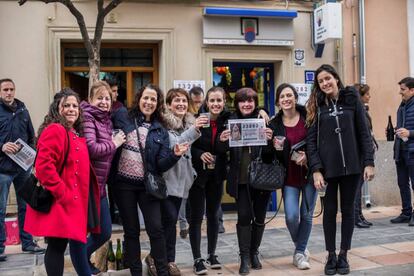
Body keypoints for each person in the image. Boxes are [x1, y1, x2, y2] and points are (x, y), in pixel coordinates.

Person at [112, 84, 188, 276]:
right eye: (146, 98)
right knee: (131, 231)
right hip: (124, 185)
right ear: (139, 99)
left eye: (153, 99)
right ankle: (136, 272)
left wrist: (175, 154)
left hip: (148, 186)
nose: (149, 102)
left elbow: (161, 165)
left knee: (156, 229)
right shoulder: (123, 116)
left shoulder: (160, 129)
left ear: (158, 103)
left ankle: (162, 272)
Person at [306, 64, 375, 275]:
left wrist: (369, 162)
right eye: (320, 81)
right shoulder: (316, 106)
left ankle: (344, 254)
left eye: (328, 78)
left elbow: (364, 133)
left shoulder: (352, 99)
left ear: (336, 78)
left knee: (348, 212)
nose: (325, 83)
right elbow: (311, 142)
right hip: (327, 170)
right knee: (329, 213)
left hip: (353, 168)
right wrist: (316, 169)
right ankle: (331, 254)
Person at [24, 88, 100, 276]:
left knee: (60, 245)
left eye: (75, 105)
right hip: (60, 201)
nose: (72, 109)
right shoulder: (56, 130)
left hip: (70, 202)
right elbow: (43, 167)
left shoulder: (73, 132)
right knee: (57, 246)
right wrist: (63, 193)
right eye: (66, 105)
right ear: (58, 109)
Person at [217, 87, 274, 275]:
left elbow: (271, 154)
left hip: (261, 179)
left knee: (259, 218)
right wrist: (223, 140)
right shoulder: (229, 121)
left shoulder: (264, 121)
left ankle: (254, 252)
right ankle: (244, 256)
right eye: (243, 101)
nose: (247, 104)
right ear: (237, 103)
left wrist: (269, 140)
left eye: (250, 101)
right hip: (240, 180)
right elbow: (220, 149)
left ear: (255, 103)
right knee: (243, 217)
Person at [155, 88, 206, 276]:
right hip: (167, 182)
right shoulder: (164, 124)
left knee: (171, 224)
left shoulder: (188, 122)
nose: (181, 104)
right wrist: (194, 130)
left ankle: (168, 261)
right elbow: (174, 145)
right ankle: (165, 262)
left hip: (182, 182)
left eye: (184, 101)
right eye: (176, 100)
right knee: (167, 223)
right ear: (168, 104)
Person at [79, 81, 126, 275]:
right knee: (82, 234)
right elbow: (91, 149)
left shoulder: (106, 120)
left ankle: (82, 259)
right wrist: (114, 144)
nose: (104, 102)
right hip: (86, 187)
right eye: (100, 98)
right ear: (90, 99)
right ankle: (82, 264)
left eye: (107, 98)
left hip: (100, 186)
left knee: (104, 232)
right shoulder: (88, 118)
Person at [269, 83, 317, 270]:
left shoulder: (308, 117)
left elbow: (317, 142)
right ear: (278, 102)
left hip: (310, 174)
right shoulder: (274, 124)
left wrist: (309, 157)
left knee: (306, 215)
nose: (286, 99)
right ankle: (301, 247)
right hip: (288, 176)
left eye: (289, 95)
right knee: (291, 217)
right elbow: (270, 154)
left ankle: (299, 254)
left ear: (295, 97)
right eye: (282, 97)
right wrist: (274, 147)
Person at [0, 78, 45, 262]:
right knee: (0, 209)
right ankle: (0, 247)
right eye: (5, 89)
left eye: (11, 89)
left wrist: (31, 155)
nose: (9, 92)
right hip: (2, 169)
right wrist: (2, 146)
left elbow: (31, 137)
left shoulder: (23, 110)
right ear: (0, 92)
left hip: (22, 168)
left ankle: (27, 243)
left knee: (25, 207)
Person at [188, 86, 231, 275]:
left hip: (216, 175)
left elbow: (224, 150)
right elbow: (188, 145)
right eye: (212, 100)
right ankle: (197, 258)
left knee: (213, 215)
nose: (215, 104)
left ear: (224, 102)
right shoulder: (198, 120)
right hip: (197, 176)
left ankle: (211, 254)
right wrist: (200, 154)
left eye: (219, 100)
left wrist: (223, 142)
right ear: (206, 102)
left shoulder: (228, 121)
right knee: (196, 218)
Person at [354, 83, 378, 228]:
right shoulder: (359, 112)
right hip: (360, 154)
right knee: (357, 187)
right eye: (367, 94)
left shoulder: (363, 109)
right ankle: (356, 217)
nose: (370, 96)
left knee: (359, 186)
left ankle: (360, 215)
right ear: (361, 96)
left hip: (364, 153)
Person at [391, 77, 414, 226]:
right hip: (401, 151)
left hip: (413, 151)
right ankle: (406, 212)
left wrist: (410, 133)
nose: (400, 92)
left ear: (412, 90)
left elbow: (409, 131)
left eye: (403, 89)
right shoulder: (402, 106)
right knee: (402, 183)